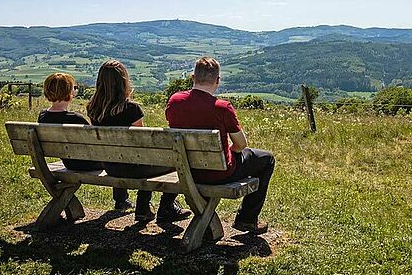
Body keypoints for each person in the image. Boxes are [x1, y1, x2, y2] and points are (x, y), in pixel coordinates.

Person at [165, 57, 275, 234]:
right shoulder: (222, 107)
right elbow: (241, 144)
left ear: (193, 77)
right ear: (217, 81)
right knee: (267, 159)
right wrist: (230, 153)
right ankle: (247, 219)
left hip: (186, 170)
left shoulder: (175, 101)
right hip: (219, 173)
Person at [87, 60, 189, 223]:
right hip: (134, 167)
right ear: (123, 82)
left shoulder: (93, 110)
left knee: (137, 158)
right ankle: (158, 207)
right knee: (179, 160)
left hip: (110, 166)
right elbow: (142, 147)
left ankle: (134, 204)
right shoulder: (131, 109)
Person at [38, 72, 102, 171]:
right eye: (73, 88)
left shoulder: (42, 117)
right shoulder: (76, 119)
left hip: (69, 163)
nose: (74, 91)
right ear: (68, 92)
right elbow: (95, 142)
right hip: (90, 163)